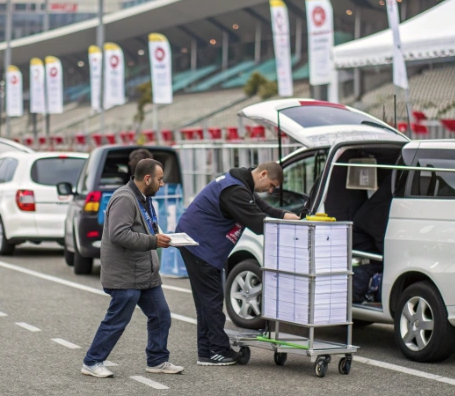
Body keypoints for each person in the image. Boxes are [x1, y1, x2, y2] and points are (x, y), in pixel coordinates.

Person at [176, 162, 300, 365]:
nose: (270, 190)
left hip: (199, 242)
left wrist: (286, 215)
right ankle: (218, 350)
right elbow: (258, 222)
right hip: (199, 244)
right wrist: (284, 226)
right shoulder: (235, 191)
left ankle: (207, 351)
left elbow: (263, 208)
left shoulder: (241, 184)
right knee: (212, 300)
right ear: (263, 174)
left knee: (206, 301)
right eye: (271, 185)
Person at [82, 159, 184, 378]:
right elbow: (118, 234)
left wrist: (159, 239)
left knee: (161, 315)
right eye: (159, 179)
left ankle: (157, 360)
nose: (162, 184)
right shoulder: (125, 199)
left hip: (144, 272)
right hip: (125, 274)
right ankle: (92, 362)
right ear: (147, 179)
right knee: (117, 320)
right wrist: (153, 241)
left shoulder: (143, 198)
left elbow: (144, 229)